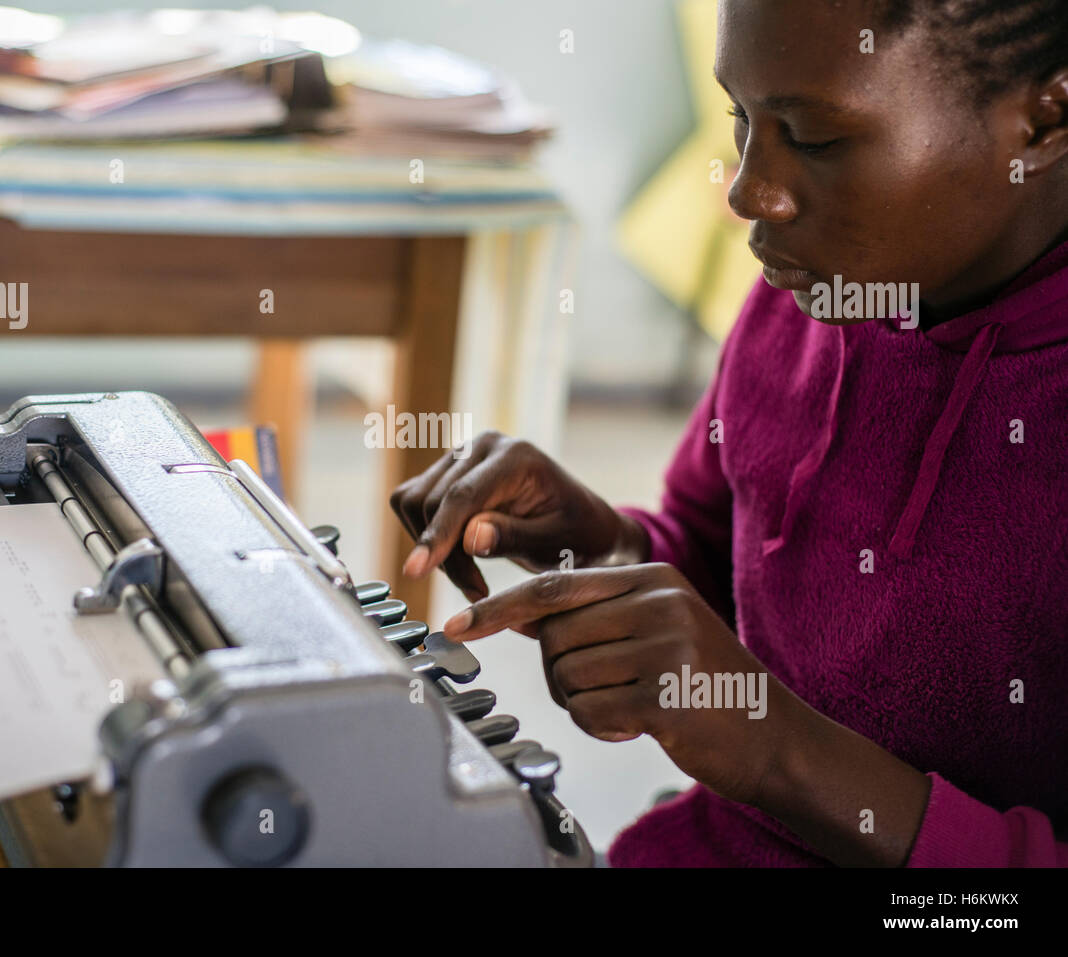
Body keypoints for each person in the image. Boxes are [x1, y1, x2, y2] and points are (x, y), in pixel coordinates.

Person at [390, 0, 1068, 866]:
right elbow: (730, 562)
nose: (748, 191)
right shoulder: (817, 293)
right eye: (742, 121)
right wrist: (602, 542)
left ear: (1046, 119)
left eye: (815, 138)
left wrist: (775, 748)